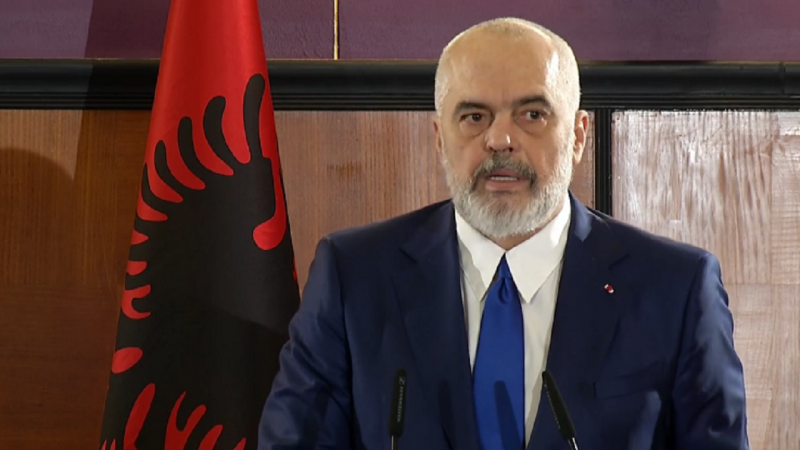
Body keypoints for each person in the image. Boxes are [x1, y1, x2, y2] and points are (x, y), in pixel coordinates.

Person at [258, 17, 749, 450]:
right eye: (474, 117)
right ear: (439, 139)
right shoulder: (355, 278)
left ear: (578, 136)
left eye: (532, 115)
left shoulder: (675, 288)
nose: (499, 140)